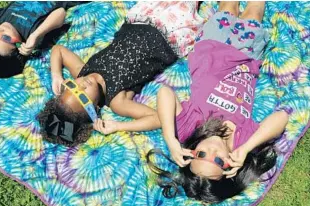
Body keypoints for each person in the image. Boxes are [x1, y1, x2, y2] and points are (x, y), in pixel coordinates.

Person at [145, 1, 290, 203]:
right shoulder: (242, 141)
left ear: (191, 153)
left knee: (228, 7)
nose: (212, 150)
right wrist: (248, 147)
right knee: (255, 11)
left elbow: (165, 93)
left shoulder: (190, 128)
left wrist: (170, 139)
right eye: (218, 160)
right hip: (246, 55)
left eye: (202, 154)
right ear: (229, 167)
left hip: (212, 47)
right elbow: (282, 117)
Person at [37, 2, 205, 147]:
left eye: (72, 85)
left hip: (143, 18)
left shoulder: (83, 72)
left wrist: (56, 75)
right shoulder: (117, 100)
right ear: (94, 109)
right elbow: (156, 118)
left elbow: (58, 50)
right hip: (168, 35)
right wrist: (117, 126)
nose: (81, 85)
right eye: (82, 96)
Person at [0, 1, 88, 78]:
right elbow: (60, 13)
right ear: (19, 46)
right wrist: (36, 34)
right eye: (5, 38)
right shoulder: (33, 36)